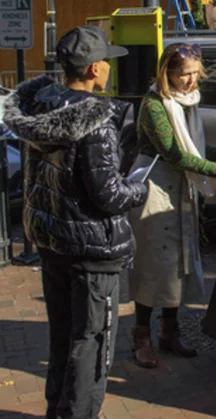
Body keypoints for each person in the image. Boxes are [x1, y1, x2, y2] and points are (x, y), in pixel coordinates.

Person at [2, 26, 149, 418]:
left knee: (63, 337)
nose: (109, 70)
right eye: (107, 63)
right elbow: (109, 195)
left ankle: (59, 410)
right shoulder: (96, 120)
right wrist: (141, 189)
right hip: (90, 250)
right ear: (95, 68)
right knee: (91, 343)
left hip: (53, 242)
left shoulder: (39, 106)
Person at [128, 43, 216, 368]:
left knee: (178, 266)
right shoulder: (155, 105)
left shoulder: (188, 103)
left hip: (180, 191)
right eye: (184, 75)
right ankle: (141, 335)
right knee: (153, 265)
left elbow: (196, 148)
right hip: (155, 190)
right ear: (167, 73)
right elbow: (176, 154)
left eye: (196, 73)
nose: (191, 80)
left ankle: (169, 331)